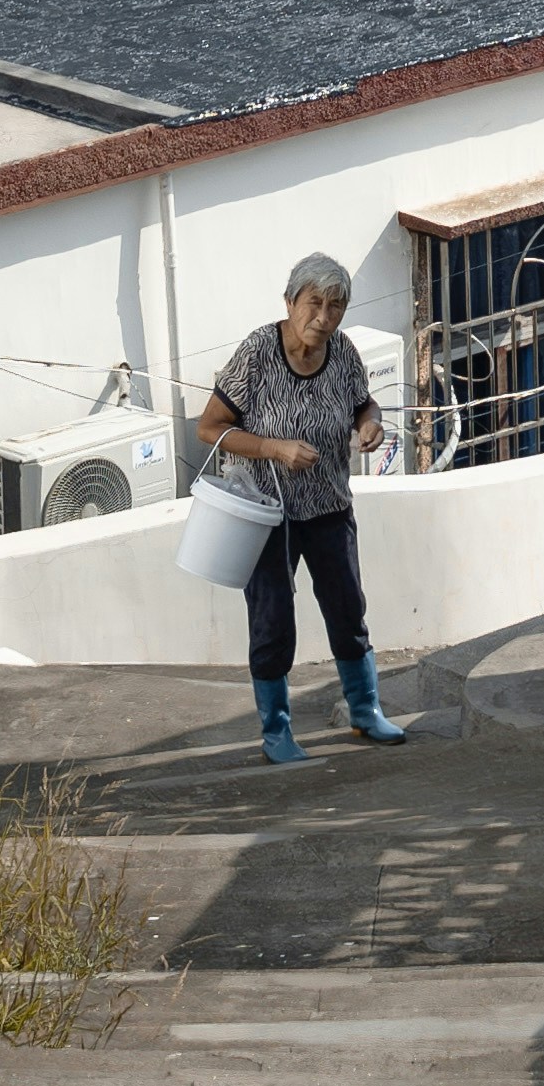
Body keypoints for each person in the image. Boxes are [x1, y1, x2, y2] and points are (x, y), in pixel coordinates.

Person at [197, 251, 403, 764]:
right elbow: (210, 428)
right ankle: (276, 731)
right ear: (290, 302)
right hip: (266, 515)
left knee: (347, 609)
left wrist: (370, 424)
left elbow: (363, 403)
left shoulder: (343, 351)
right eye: (314, 303)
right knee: (273, 621)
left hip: (329, 506)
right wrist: (274, 447)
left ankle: (365, 710)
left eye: (336, 307)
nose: (324, 318)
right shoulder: (258, 354)